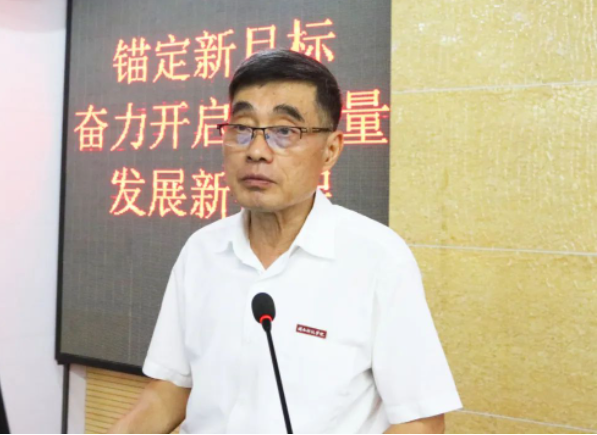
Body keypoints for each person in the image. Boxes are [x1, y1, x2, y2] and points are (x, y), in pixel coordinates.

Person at [109, 49, 462, 434]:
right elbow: (169, 391)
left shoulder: (377, 258)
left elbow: (420, 420)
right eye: (242, 127)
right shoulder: (201, 251)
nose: (256, 151)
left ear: (330, 150)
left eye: (284, 132)